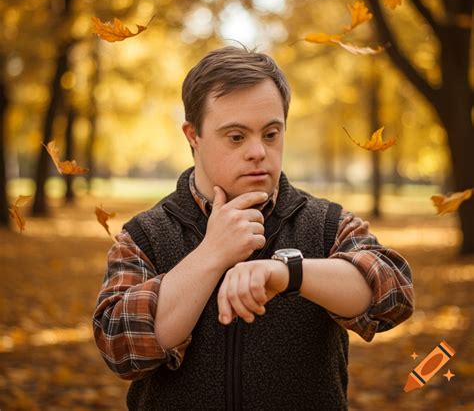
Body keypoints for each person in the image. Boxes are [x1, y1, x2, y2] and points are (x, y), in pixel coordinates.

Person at [92, 45, 415, 410]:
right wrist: (212, 254)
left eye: (271, 134)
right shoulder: (144, 236)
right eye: (236, 136)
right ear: (193, 135)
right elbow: (120, 347)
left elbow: (394, 298)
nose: (258, 151)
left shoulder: (326, 224)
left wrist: (288, 273)